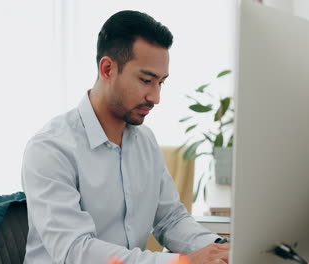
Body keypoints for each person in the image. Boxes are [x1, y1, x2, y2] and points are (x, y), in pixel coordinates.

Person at [21, 10, 230, 264]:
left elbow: (170, 219)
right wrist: (181, 262)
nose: (155, 98)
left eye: (160, 83)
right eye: (145, 80)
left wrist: (220, 249)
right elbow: (75, 251)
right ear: (108, 69)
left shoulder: (145, 142)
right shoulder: (51, 148)